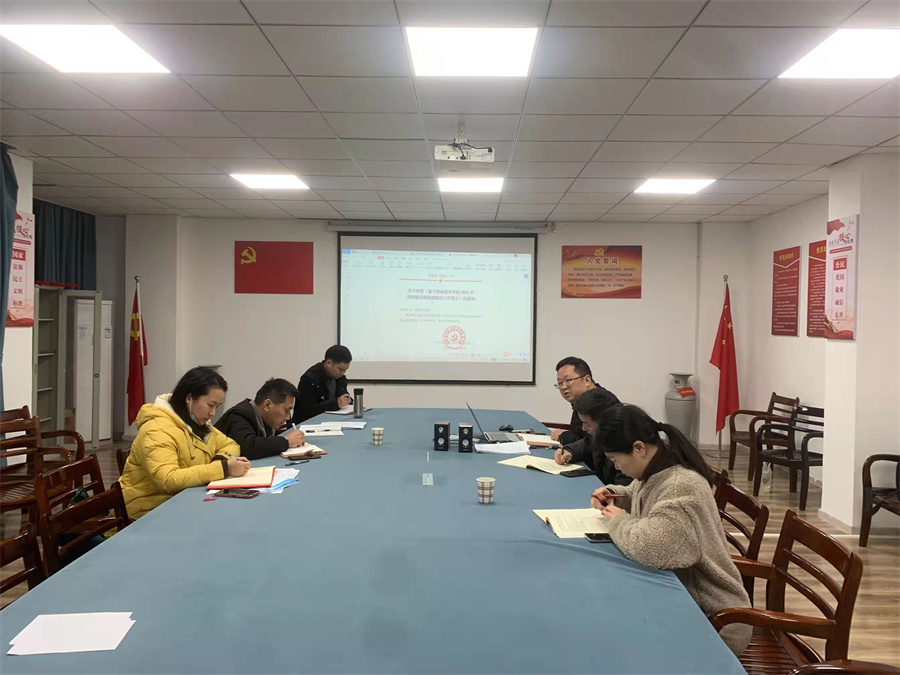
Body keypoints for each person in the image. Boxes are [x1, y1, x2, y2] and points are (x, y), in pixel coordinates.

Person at [589, 404, 752, 657]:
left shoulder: (680, 486)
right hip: (683, 598)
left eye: (615, 460)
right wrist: (614, 495)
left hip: (713, 619)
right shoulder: (657, 470)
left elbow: (653, 548)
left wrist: (618, 521)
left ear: (639, 448)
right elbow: (638, 495)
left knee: (613, 639)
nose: (617, 468)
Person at [119, 367, 251, 521]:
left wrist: (220, 460)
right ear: (189, 398)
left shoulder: (198, 424)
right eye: (210, 405)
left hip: (180, 502)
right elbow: (168, 480)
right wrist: (223, 468)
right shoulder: (157, 429)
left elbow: (231, 444)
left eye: (217, 407)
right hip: (145, 512)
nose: (213, 413)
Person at [554, 388, 631, 486]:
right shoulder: (599, 437)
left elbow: (623, 490)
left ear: (604, 422)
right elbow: (587, 444)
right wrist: (570, 451)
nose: (583, 428)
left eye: (587, 424)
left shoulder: (626, 450)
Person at [215, 378, 306, 460]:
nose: (288, 417)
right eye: (286, 411)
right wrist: (287, 442)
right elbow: (247, 448)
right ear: (267, 405)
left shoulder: (265, 419)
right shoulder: (239, 416)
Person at [292, 345, 353, 424]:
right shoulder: (310, 379)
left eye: (345, 370)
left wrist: (348, 400)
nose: (342, 373)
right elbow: (306, 410)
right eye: (340, 369)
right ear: (329, 363)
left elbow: (342, 397)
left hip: (332, 421)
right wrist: (336, 403)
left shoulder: (340, 378)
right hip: (309, 424)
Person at [549, 356, 603, 445]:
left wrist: (564, 436)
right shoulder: (581, 400)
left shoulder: (600, 402)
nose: (564, 387)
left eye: (568, 380)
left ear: (587, 380)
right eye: (560, 383)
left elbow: (595, 446)